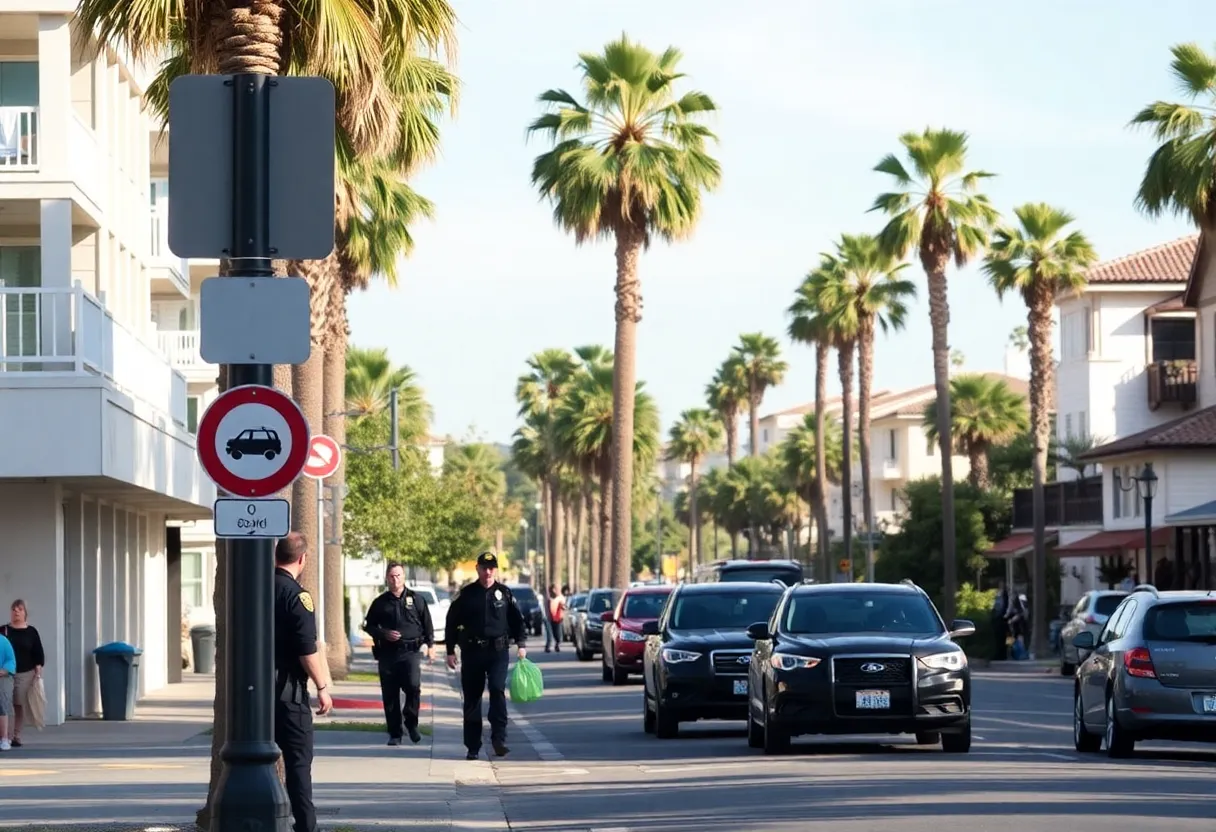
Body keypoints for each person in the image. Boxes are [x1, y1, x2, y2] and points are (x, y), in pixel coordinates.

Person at [274, 532, 334, 832]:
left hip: (253, 694)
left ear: (276, 556)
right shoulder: (298, 596)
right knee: (298, 765)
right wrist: (322, 686)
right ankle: (306, 827)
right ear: (302, 559)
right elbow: (306, 650)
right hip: (288, 695)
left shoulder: (255, 589)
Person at [445, 551, 526, 760]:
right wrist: (449, 650)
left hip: (498, 651)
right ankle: (473, 746)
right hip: (472, 652)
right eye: (484, 567)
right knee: (472, 698)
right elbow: (451, 622)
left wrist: (521, 644)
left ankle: (499, 739)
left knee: (498, 689)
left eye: (491, 568)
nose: (488, 571)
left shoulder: (505, 593)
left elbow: (517, 620)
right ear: (478, 569)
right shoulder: (467, 594)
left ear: (495, 570)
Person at [361, 562, 434, 746]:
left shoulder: (416, 599)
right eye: (392, 576)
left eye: (399, 575)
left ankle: (411, 722)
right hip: (388, 653)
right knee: (390, 694)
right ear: (387, 578)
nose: (395, 579)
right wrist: (383, 633)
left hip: (411, 652)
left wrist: (430, 645)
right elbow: (369, 626)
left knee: (413, 687)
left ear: (404, 577)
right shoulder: (380, 602)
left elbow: (427, 625)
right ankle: (395, 733)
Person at [0, 599, 44, 748]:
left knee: (18, 704)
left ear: (25, 613)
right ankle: (5, 735)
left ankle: (16, 735)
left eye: (19, 609)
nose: (16, 612)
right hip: (5, 673)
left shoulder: (31, 632)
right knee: (5, 704)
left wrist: (38, 673)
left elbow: (38, 653)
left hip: (24, 673)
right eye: (14, 609)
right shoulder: (4, 630)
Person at [0, 627, 14, 751]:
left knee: (2, 706)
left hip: (3, 677)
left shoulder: (3, 641)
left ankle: (4, 738)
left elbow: (11, 660)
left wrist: (4, 670)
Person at [545, 584, 565, 653]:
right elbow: (546, 608)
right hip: (549, 618)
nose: (554, 591)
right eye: (552, 589)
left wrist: (563, 607)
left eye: (555, 589)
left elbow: (564, 606)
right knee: (549, 634)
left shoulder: (560, 598)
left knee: (558, 634)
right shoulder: (548, 598)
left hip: (558, 619)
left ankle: (557, 645)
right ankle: (547, 647)